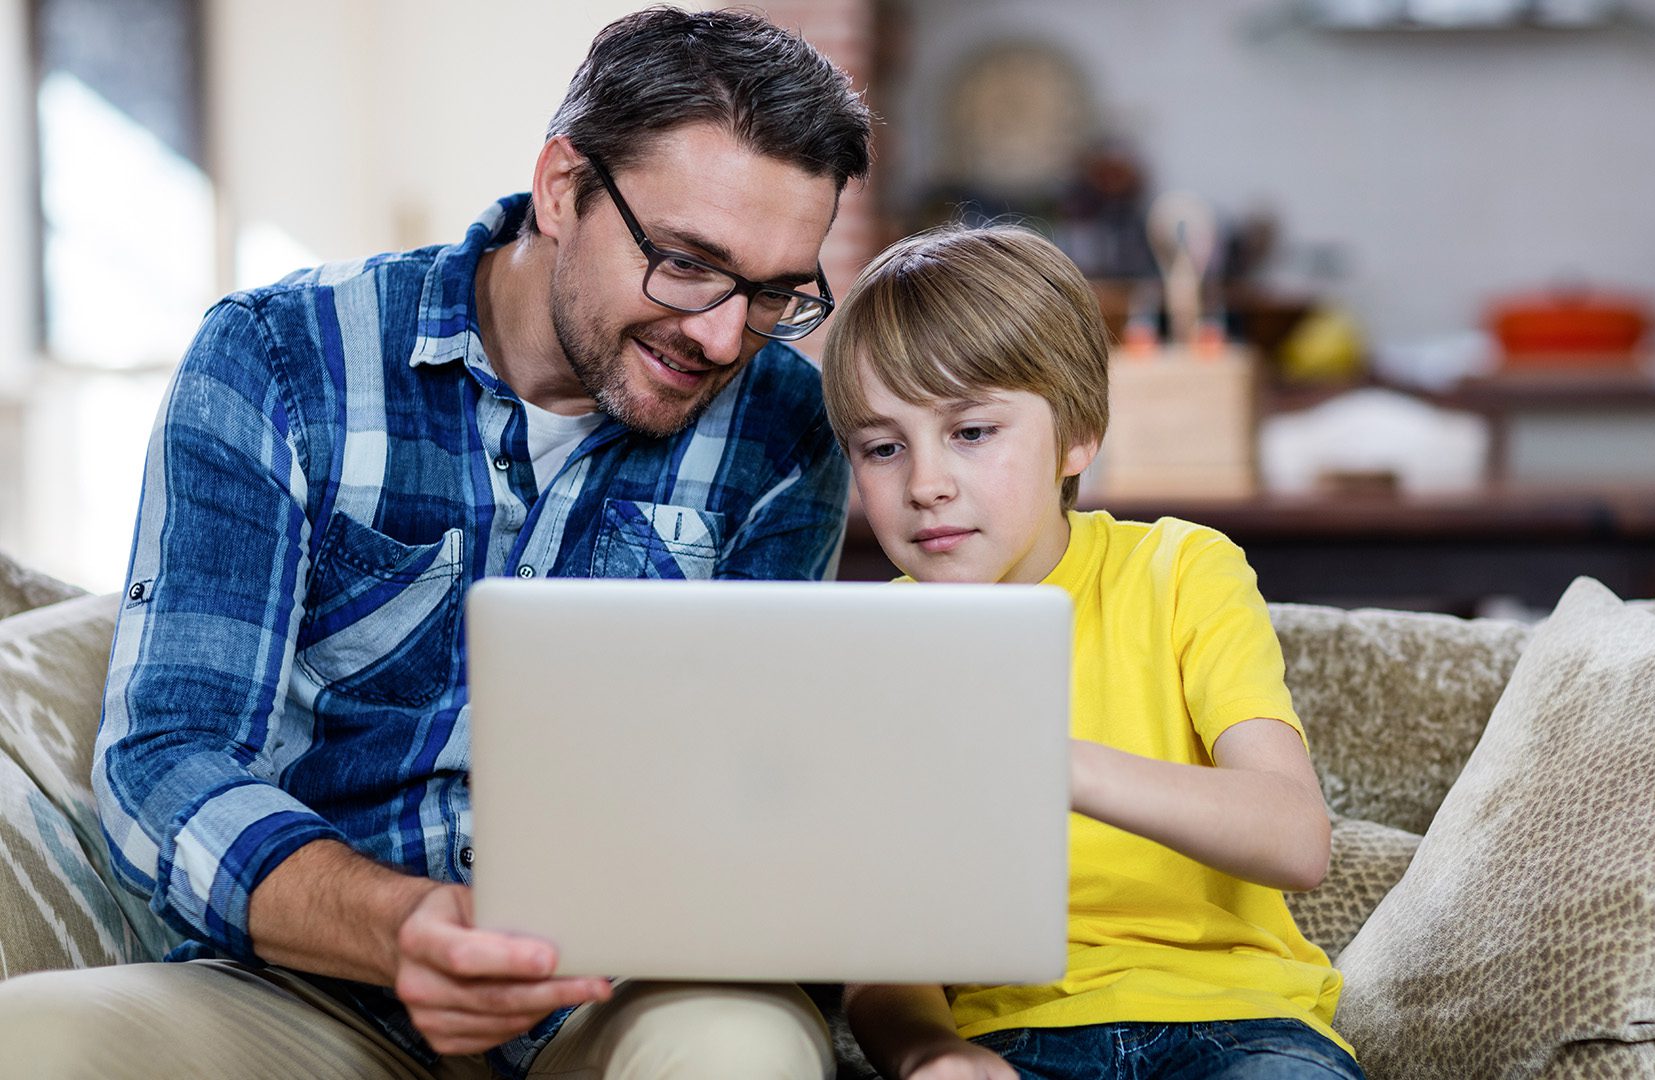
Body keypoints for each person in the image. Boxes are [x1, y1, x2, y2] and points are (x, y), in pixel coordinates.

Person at [0, 8, 870, 1079]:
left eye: (777, 290)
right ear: (562, 189)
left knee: (744, 1049)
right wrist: (401, 929)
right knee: (32, 1042)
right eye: (689, 264)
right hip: (315, 992)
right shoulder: (281, 361)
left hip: (618, 1004)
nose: (723, 335)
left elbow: (763, 785)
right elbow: (167, 756)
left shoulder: (788, 427)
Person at [819, 226, 1364, 1080]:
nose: (924, 483)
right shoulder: (875, 652)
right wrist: (931, 1055)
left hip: (1240, 1027)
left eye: (971, 432)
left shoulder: (1183, 569)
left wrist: (1049, 762)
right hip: (1018, 1042)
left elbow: (1295, 839)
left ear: (1078, 436)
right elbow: (888, 959)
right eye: (884, 447)